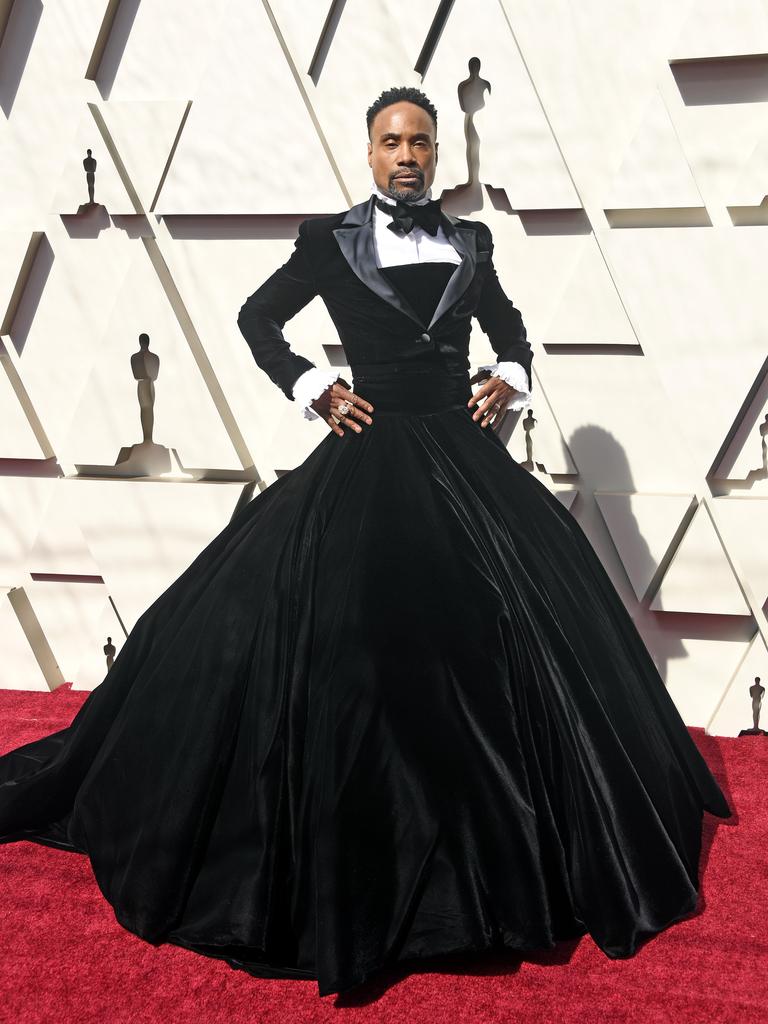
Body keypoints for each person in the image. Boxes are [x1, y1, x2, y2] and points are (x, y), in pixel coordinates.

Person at [0, 86, 731, 999]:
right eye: (392, 142)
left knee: (500, 648)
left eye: (421, 141)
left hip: (465, 463)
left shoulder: (473, 242)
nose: (408, 156)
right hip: (368, 453)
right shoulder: (330, 240)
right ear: (370, 153)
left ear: (438, 152)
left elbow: (508, 330)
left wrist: (505, 373)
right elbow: (258, 320)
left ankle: (502, 867)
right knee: (353, 649)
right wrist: (312, 385)